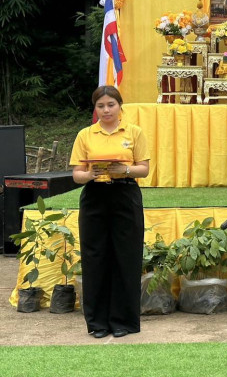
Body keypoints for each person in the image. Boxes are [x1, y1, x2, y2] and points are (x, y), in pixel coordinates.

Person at [70, 86, 150, 339]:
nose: (106, 110)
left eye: (111, 105)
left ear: (119, 106)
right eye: (101, 106)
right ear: (95, 109)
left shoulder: (134, 132)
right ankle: (98, 322)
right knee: (95, 256)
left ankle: (123, 321)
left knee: (126, 255)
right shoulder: (85, 134)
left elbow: (144, 169)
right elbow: (76, 174)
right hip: (95, 196)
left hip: (125, 194)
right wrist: (90, 174)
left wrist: (123, 170)